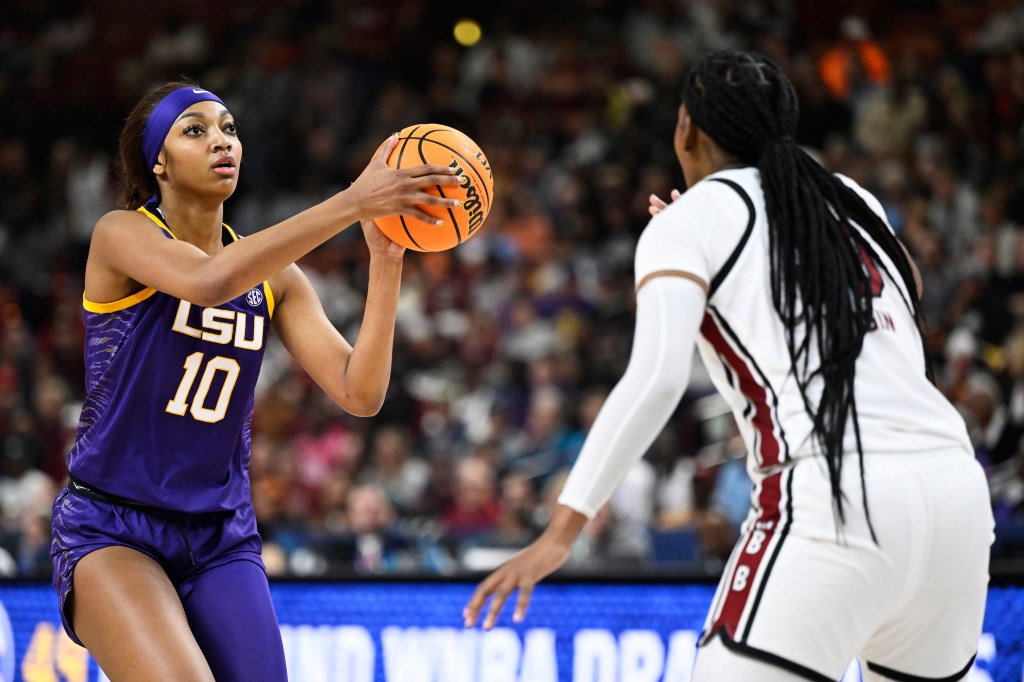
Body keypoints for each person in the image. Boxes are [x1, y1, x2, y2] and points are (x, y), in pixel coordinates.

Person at [464, 51, 993, 682]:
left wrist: (561, 531)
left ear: (687, 129)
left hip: (833, 494)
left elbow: (656, 381)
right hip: (956, 497)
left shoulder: (690, 222)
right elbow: (905, 289)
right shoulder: (852, 199)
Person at [50, 82, 462, 681]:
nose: (221, 140)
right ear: (156, 161)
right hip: (112, 524)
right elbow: (211, 281)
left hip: (220, 533)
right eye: (195, 130)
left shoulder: (278, 279)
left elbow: (360, 391)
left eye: (229, 128)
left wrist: (386, 259)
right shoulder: (122, 235)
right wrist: (352, 202)